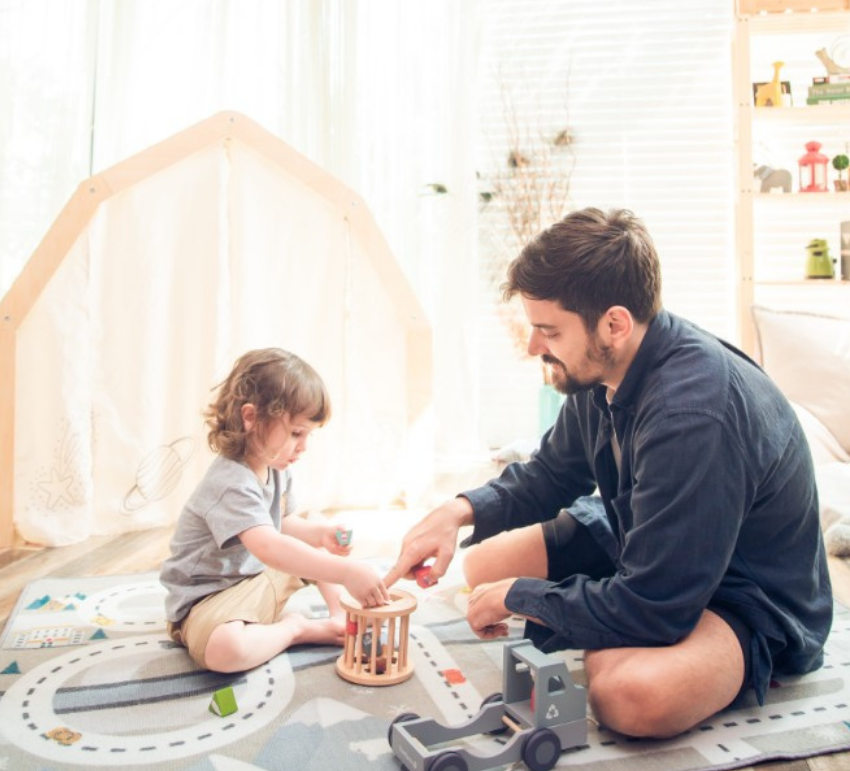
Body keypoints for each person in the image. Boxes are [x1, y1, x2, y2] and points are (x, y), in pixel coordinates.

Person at [385, 208, 832, 738]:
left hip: (742, 591)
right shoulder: (603, 368)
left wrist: (527, 598)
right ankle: (601, 603)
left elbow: (657, 605)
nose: (534, 347)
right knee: (484, 565)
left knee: (626, 695)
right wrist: (456, 512)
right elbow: (552, 473)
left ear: (614, 324)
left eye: (548, 330)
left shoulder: (692, 415)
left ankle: (606, 612)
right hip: (646, 533)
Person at [161, 348, 390, 673]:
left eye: (308, 435)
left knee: (315, 537)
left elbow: (283, 523)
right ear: (251, 418)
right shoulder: (230, 480)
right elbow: (268, 545)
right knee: (227, 651)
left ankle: (340, 615)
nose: (304, 446)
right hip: (206, 602)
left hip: (253, 582)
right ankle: (296, 629)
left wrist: (319, 534)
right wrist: (346, 571)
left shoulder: (276, 465)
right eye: (297, 433)